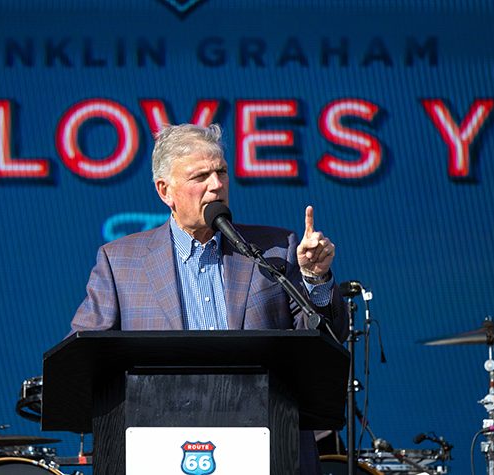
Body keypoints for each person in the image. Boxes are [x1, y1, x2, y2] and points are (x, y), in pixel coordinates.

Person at [71, 123, 348, 474]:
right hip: (159, 449)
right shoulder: (120, 262)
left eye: (221, 172)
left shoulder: (276, 250)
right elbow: (81, 357)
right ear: (165, 191)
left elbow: (327, 338)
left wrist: (315, 277)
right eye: (200, 176)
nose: (216, 185)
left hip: (266, 446)